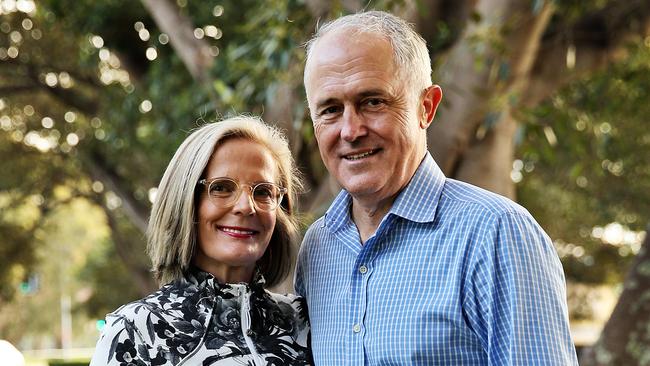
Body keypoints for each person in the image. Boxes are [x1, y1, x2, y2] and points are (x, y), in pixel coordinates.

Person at [295, 10, 578, 365]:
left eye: (373, 102)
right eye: (331, 109)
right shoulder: (318, 247)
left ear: (426, 107)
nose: (350, 131)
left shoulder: (497, 234)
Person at [91, 116, 312, 365]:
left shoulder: (303, 325)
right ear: (185, 202)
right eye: (221, 187)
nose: (245, 207)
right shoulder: (136, 332)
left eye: (263, 191)